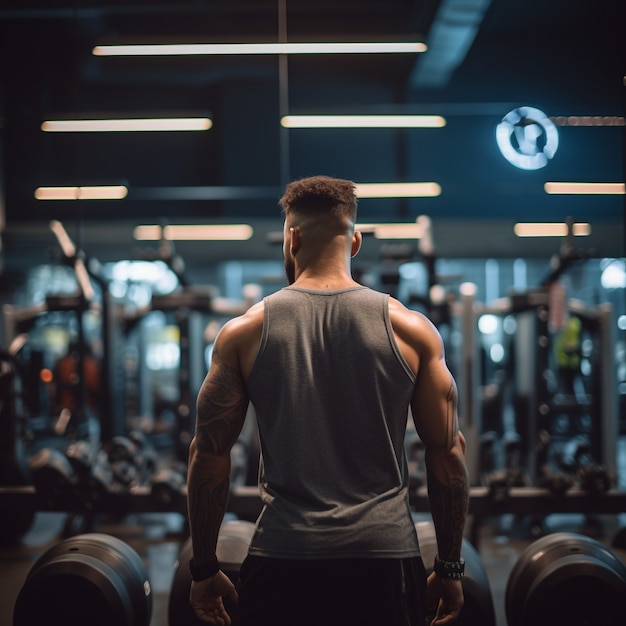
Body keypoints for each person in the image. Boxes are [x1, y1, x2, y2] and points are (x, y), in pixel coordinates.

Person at [186, 175, 470, 626]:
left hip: (282, 557)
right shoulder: (412, 330)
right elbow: (448, 457)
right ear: (355, 241)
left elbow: (209, 456)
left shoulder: (243, 332)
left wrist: (203, 568)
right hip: (384, 558)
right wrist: (450, 567)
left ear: (291, 238)